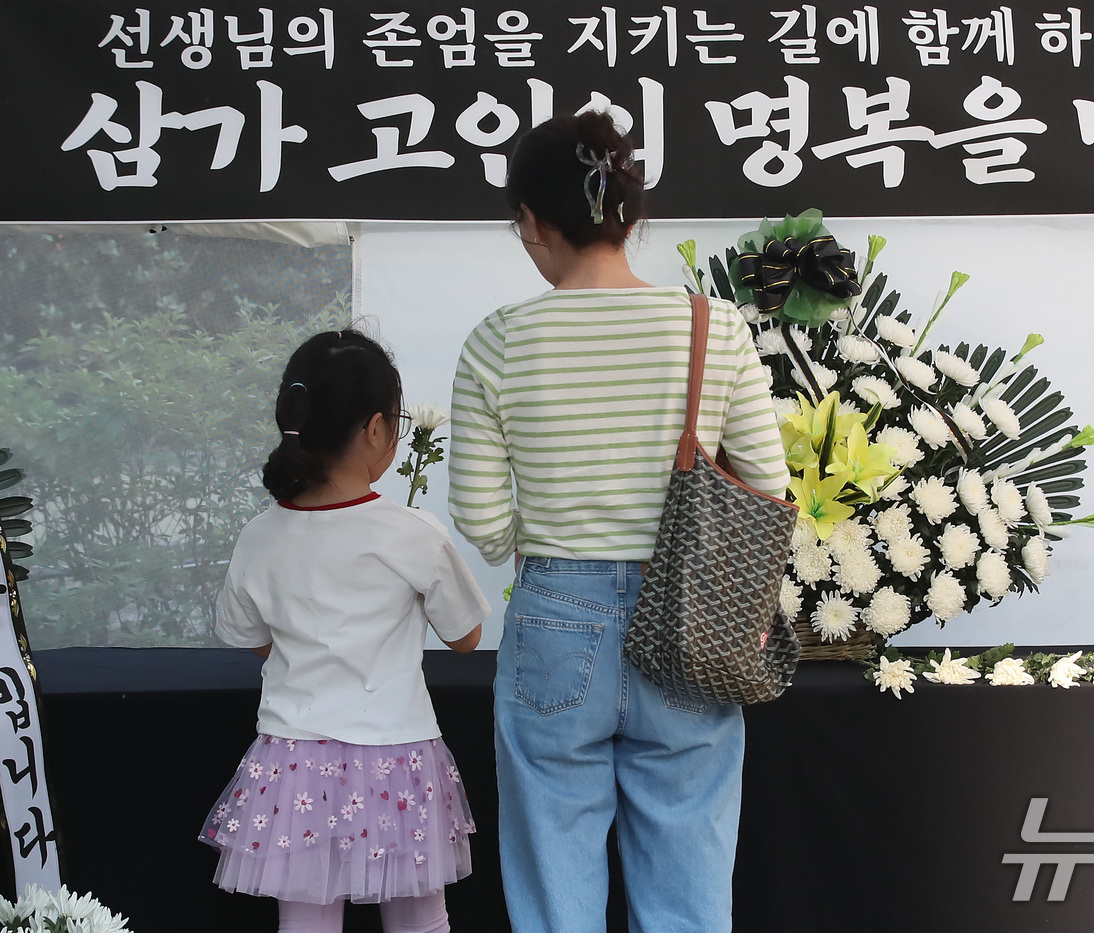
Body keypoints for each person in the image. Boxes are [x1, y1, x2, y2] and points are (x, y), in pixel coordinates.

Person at [448, 112, 789, 932]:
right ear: (633, 216)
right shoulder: (716, 326)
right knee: (688, 864)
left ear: (531, 222)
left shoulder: (498, 342)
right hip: (694, 616)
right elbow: (770, 487)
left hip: (556, 616)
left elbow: (483, 522)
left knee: (554, 870)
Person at [200, 329, 491, 933]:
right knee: (421, 922)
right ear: (378, 428)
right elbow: (466, 638)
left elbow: (252, 638)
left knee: (305, 924)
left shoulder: (260, 535)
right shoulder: (412, 534)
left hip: (294, 762)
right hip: (397, 757)